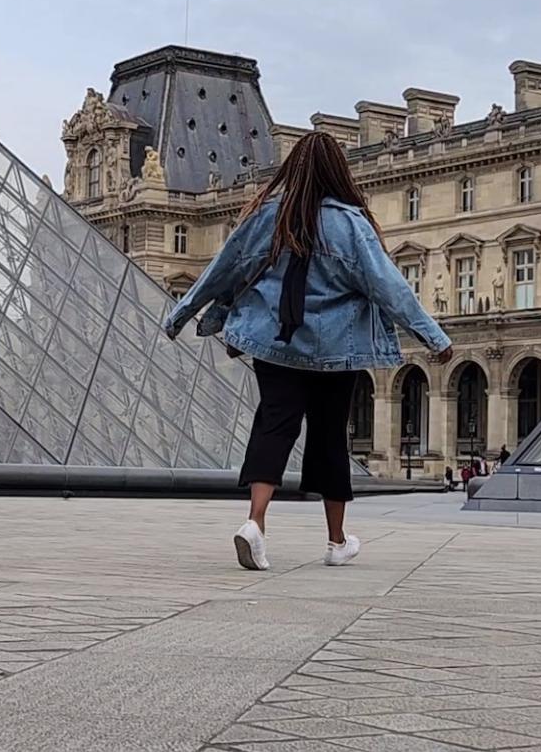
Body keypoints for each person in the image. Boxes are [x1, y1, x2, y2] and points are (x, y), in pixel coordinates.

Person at [164, 132, 453, 572]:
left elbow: (223, 268)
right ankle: (336, 540)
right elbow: (390, 287)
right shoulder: (351, 223)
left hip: (275, 345)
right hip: (336, 350)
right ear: (338, 172)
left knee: (273, 426)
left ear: (293, 169)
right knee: (329, 437)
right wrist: (434, 336)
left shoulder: (267, 217)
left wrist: (181, 313)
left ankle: (255, 523)